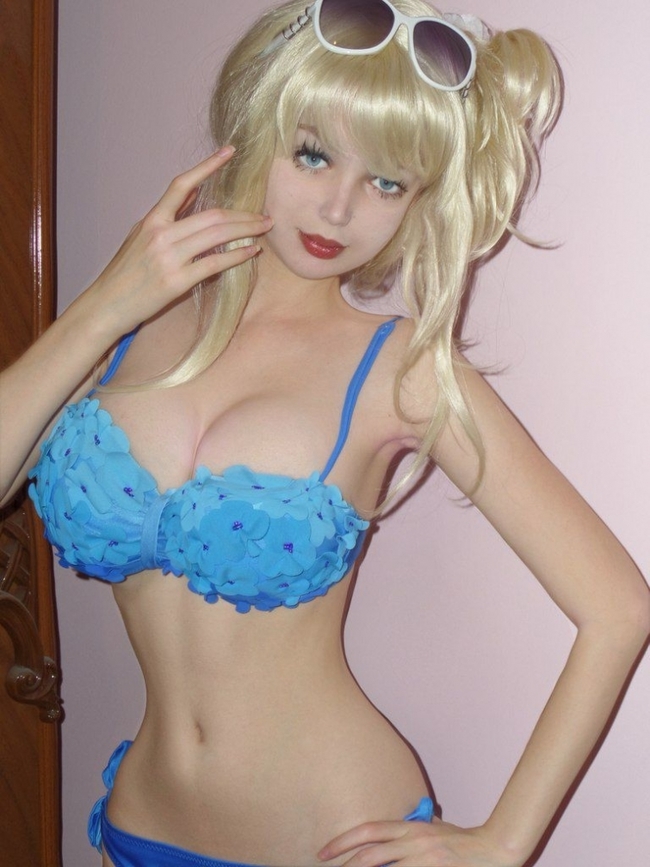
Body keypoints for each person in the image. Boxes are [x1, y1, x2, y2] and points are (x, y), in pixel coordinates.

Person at [1, 1, 648, 864]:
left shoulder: (400, 369)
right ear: (255, 127)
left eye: (388, 183)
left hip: (333, 837)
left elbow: (618, 607)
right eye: (313, 153)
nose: (339, 209)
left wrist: (502, 843)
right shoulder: (133, 324)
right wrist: (103, 306)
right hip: (141, 828)